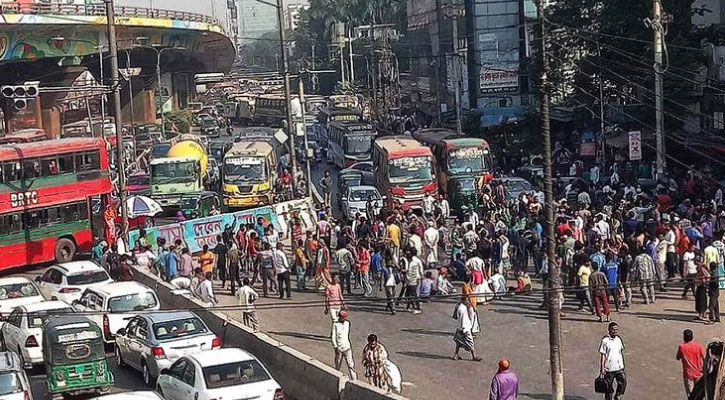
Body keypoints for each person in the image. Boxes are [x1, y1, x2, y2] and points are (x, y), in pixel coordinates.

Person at [599, 322, 626, 400]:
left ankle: (617, 395)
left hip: (619, 367)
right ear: (609, 330)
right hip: (609, 368)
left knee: (623, 381)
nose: (615, 331)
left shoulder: (618, 339)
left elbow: (620, 351)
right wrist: (602, 367)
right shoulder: (605, 341)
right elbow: (603, 354)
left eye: (616, 329)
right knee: (608, 387)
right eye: (613, 329)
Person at [676, 329, 705, 399]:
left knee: (690, 395)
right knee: (699, 393)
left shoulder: (682, 347)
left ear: (684, 337)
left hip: (688, 373)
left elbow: (678, 357)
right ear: (692, 337)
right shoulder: (698, 346)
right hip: (698, 372)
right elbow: (704, 358)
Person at [453, 295, 481, 361]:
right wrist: (465, 329)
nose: (468, 301)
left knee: (459, 342)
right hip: (465, 328)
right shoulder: (462, 309)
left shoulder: (462, 307)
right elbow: (463, 320)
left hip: (461, 327)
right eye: (466, 300)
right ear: (463, 301)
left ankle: (456, 354)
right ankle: (474, 356)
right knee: (470, 342)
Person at [331, 310, 357, 380]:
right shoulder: (335, 325)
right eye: (342, 317)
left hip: (347, 347)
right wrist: (335, 347)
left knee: (351, 365)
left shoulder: (347, 323)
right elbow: (333, 337)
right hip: (339, 348)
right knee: (338, 365)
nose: (344, 319)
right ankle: (336, 379)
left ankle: (354, 380)